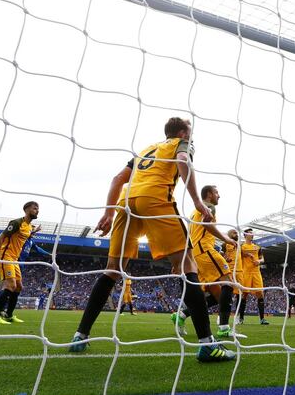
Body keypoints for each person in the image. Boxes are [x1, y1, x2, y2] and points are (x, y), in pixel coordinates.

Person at [69, 117, 234, 362]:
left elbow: (117, 179)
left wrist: (108, 212)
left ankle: (80, 336)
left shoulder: (146, 149)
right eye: (190, 133)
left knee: (112, 270)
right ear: (181, 133)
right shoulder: (181, 144)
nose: (191, 138)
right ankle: (207, 345)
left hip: (126, 202)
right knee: (187, 265)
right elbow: (182, 160)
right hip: (155, 198)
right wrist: (198, 202)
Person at [171, 185, 243, 338]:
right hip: (205, 250)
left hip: (195, 255)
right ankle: (223, 328)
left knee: (216, 295)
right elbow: (207, 225)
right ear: (209, 194)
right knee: (228, 284)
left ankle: (181, 315)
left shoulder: (193, 213)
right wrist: (226, 239)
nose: (219, 195)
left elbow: (191, 235)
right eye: (217, 192)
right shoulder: (208, 207)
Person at [0, 201, 39, 324]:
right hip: (5, 256)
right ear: (26, 209)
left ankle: (8, 315)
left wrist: (34, 232)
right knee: (11, 284)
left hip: (14, 259)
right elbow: (0, 238)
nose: (37, 210)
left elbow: (25, 236)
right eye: (35, 208)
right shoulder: (16, 223)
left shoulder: (28, 227)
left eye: (38, 209)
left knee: (18, 287)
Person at [237, 228, 269, 325]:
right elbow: (238, 256)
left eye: (252, 233)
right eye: (250, 233)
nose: (252, 234)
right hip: (245, 273)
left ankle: (262, 319)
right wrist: (247, 254)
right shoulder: (242, 247)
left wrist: (258, 262)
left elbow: (262, 259)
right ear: (245, 235)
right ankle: (241, 318)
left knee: (260, 294)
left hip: (256, 273)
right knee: (244, 295)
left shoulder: (257, 247)